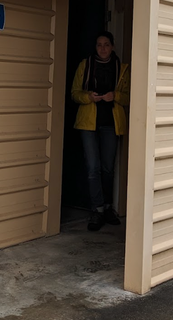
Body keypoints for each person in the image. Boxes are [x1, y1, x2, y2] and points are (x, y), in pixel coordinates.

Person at [71, 31, 130, 231]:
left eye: (106, 44)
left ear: (112, 47)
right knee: (92, 168)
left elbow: (130, 97)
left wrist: (115, 96)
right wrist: (88, 97)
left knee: (107, 168)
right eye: (99, 45)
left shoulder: (121, 69)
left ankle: (107, 208)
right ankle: (96, 209)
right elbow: (74, 93)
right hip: (89, 123)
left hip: (111, 123)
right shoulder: (85, 65)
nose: (102, 48)